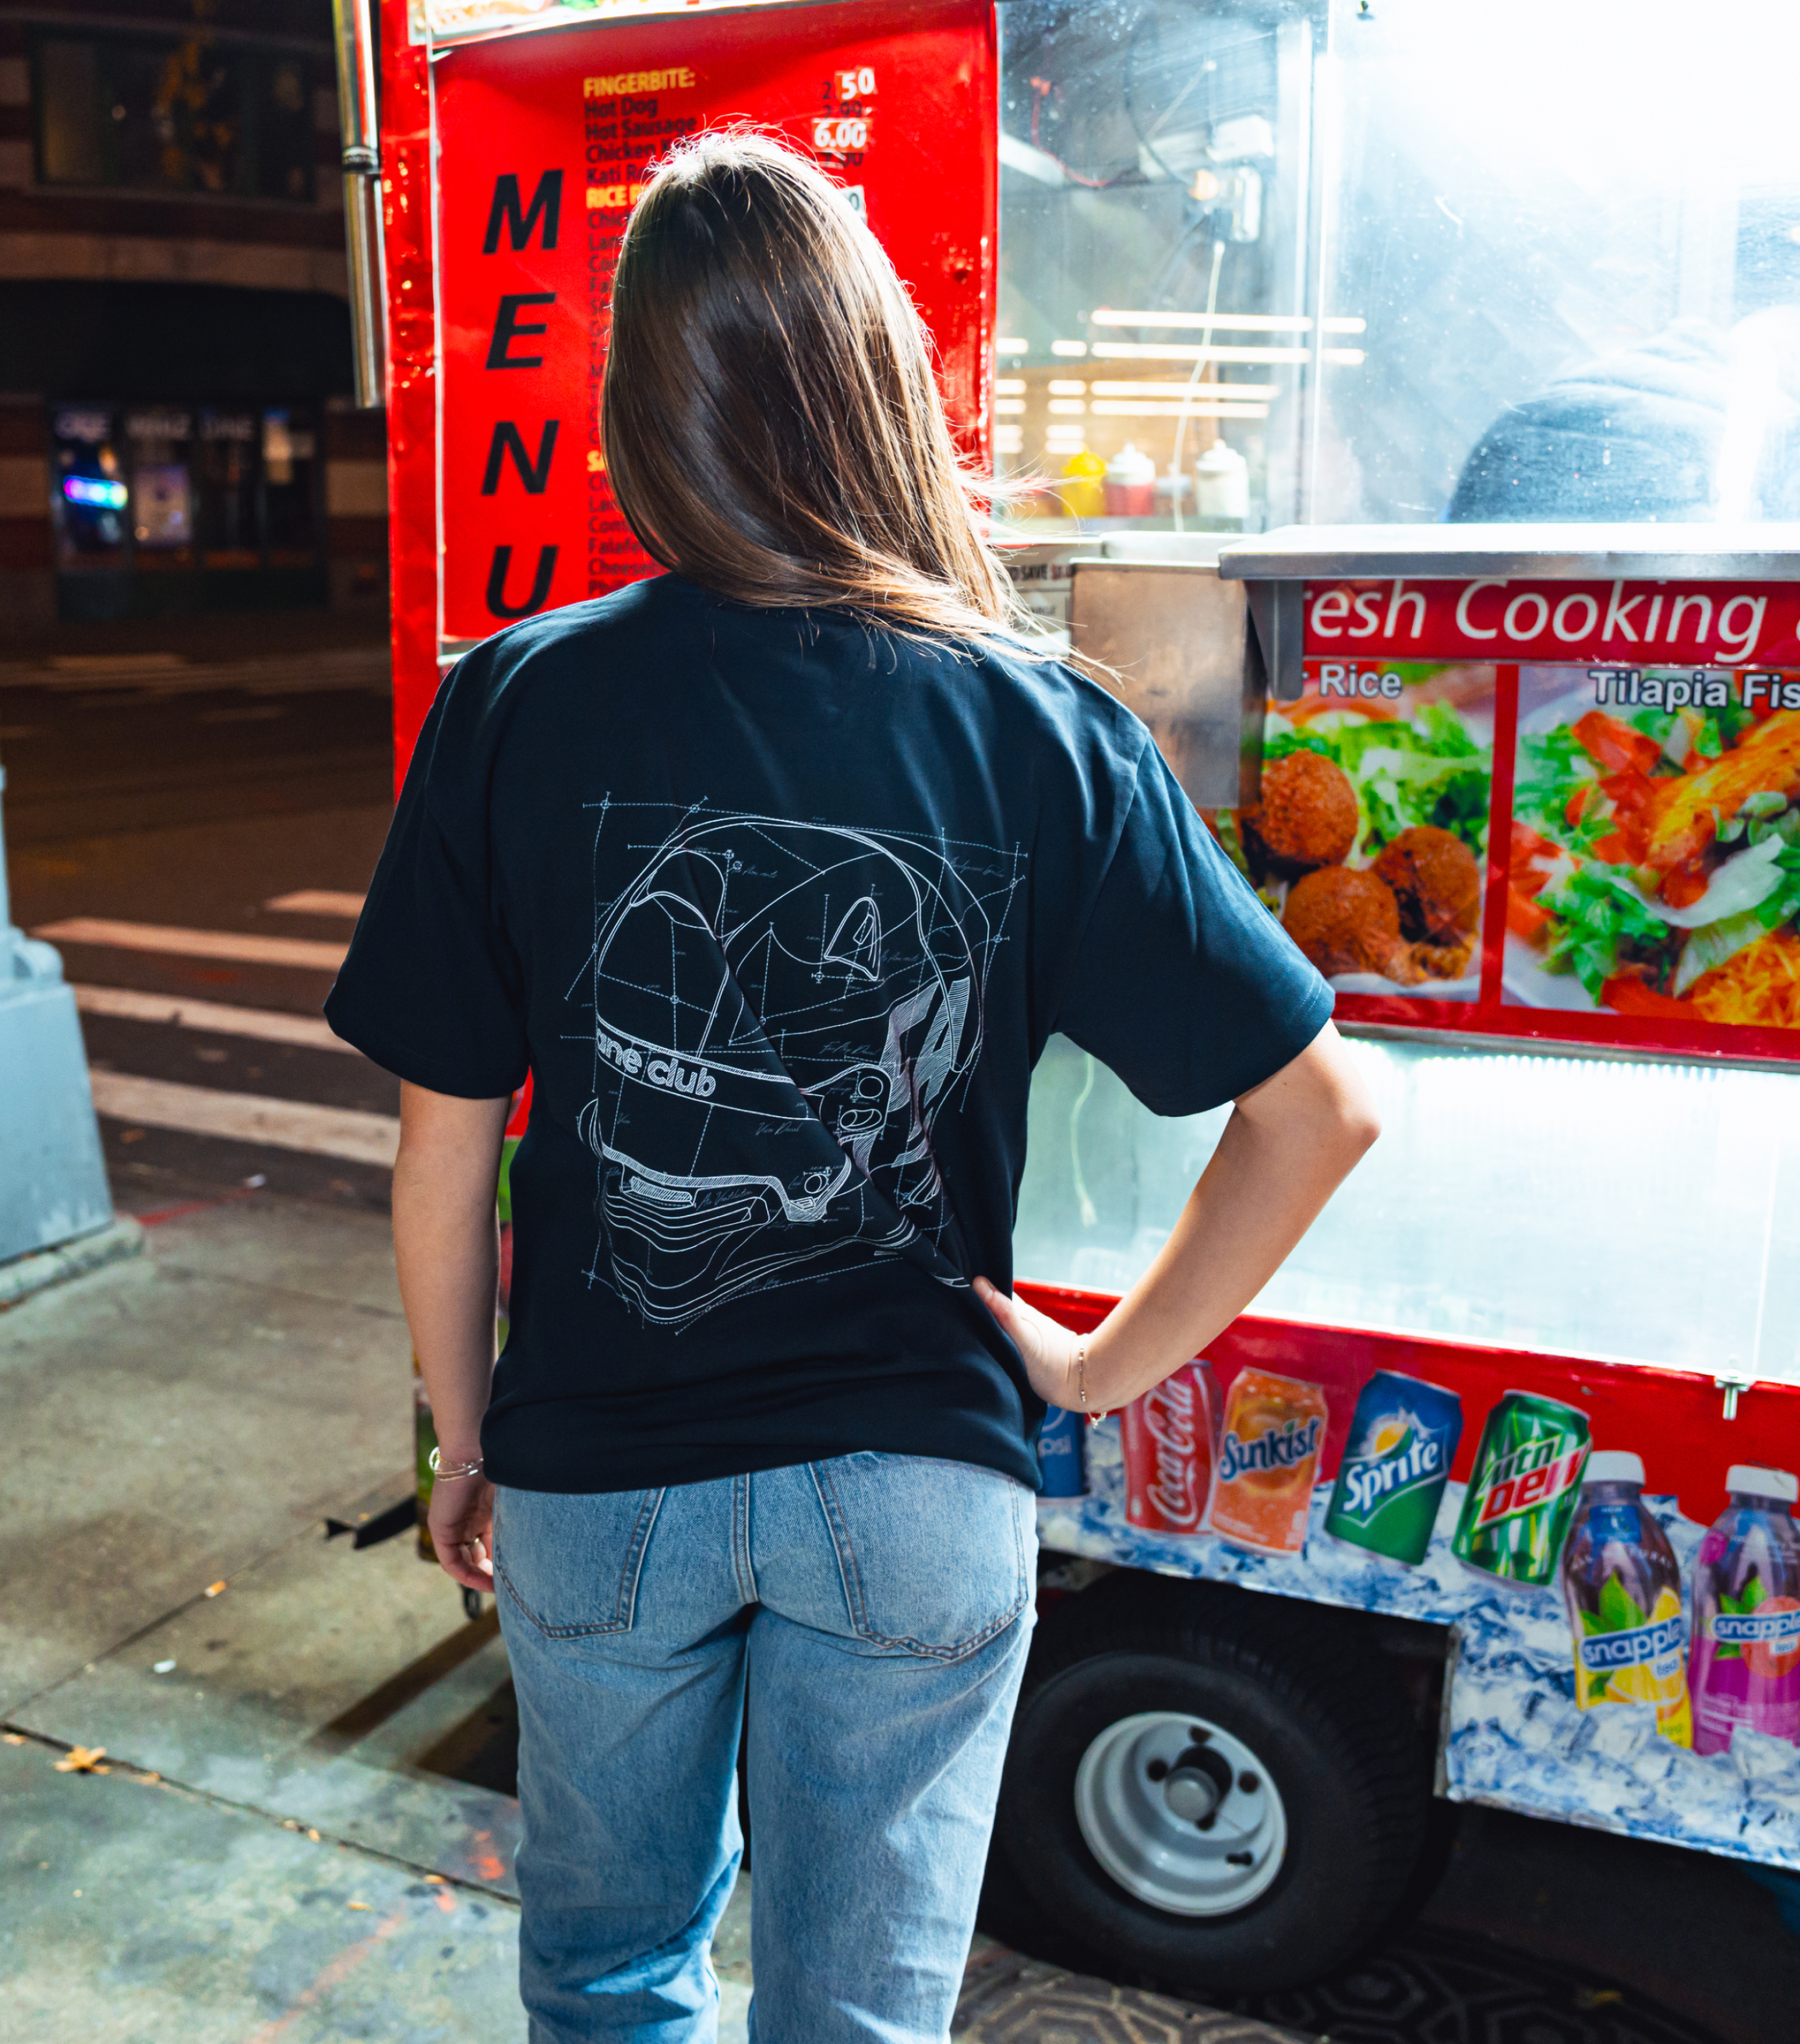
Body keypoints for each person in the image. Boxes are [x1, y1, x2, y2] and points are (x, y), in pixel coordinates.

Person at [326, 130, 1378, 2044]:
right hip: (918, 1485)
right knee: (862, 2020)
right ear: (883, 380)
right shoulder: (1039, 721)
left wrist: (461, 1441)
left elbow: (440, 1163)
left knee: (612, 1978)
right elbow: (1320, 1110)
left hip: (600, 1478)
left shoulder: (513, 702)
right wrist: (1094, 1368)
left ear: (639, 406)